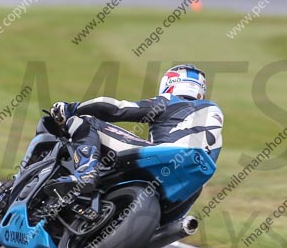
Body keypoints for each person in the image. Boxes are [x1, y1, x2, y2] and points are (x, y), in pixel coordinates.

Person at [49, 64, 224, 194]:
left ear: (170, 83)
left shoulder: (171, 101)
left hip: (163, 157)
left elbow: (117, 109)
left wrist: (72, 108)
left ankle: (86, 172)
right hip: (188, 186)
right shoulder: (215, 118)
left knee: (86, 121)